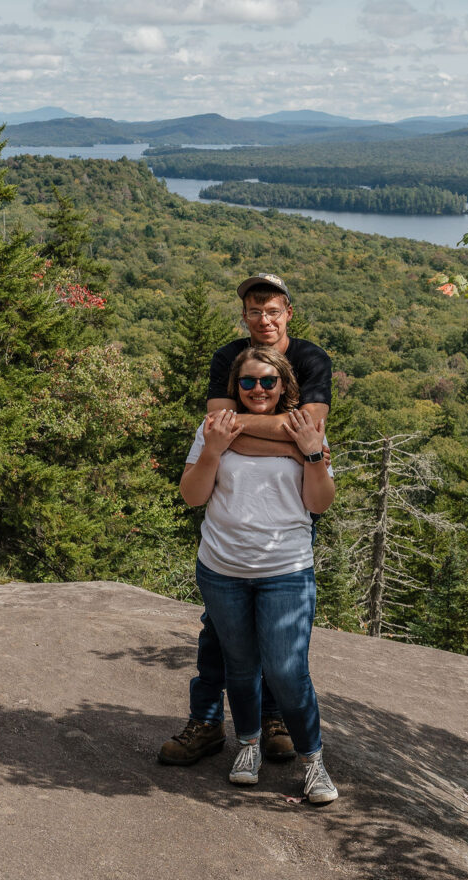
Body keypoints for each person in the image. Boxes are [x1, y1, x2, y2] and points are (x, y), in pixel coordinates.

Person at [158, 273, 332, 766]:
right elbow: (219, 427)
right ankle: (208, 722)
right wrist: (289, 441)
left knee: (277, 637)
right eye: (254, 311)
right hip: (229, 524)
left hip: (287, 518)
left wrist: (242, 434)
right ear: (244, 315)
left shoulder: (313, 358)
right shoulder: (227, 356)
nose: (264, 319)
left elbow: (311, 430)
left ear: (288, 312)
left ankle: (273, 719)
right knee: (222, 629)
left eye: (273, 309)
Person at [180, 346, 338, 803]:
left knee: (288, 672)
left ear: (285, 386)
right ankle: (248, 745)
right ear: (236, 387)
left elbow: (319, 503)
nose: (258, 390)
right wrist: (212, 451)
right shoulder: (212, 430)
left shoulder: (309, 432)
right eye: (247, 382)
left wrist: (312, 455)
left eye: (268, 381)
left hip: (285, 570)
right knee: (241, 668)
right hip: (223, 569)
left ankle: (313, 761)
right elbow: (193, 496)